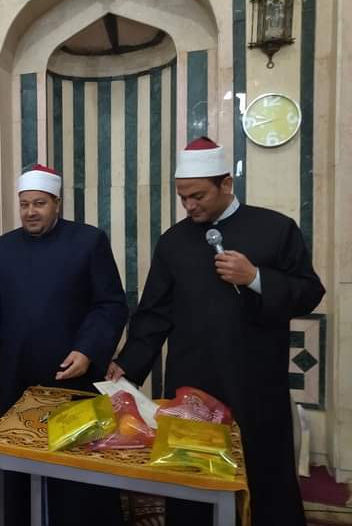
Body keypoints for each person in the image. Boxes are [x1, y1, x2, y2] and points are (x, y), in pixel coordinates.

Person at [106, 137, 325, 526]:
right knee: (192, 480)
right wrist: (129, 364)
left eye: (198, 196)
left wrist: (256, 277)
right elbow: (155, 312)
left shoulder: (276, 229)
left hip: (255, 382)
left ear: (226, 184)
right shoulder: (174, 241)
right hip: (193, 383)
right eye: (183, 198)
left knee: (262, 473)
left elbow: (309, 292)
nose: (189, 206)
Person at [0, 164, 129, 526]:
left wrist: (88, 349)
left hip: (72, 375)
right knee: (21, 456)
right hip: (20, 375)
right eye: (24, 204)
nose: (30, 211)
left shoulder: (88, 241)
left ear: (57, 203)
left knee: (75, 461)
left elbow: (110, 304)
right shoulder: (3, 248)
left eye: (39, 203)